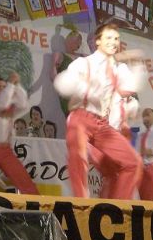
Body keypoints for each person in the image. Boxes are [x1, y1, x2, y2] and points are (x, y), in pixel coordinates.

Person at [54, 23, 146, 199]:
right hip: (81, 118)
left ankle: (116, 207)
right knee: (79, 160)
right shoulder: (84, 63)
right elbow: (62, 85)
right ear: (98, 41)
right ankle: (82, 204)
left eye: (116, 39)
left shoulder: (118, 69)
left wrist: (136, 63)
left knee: (133, 163)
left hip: (102, 124)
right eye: (109, 38)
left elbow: (131, 87)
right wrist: (80, 86)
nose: (113, 42)